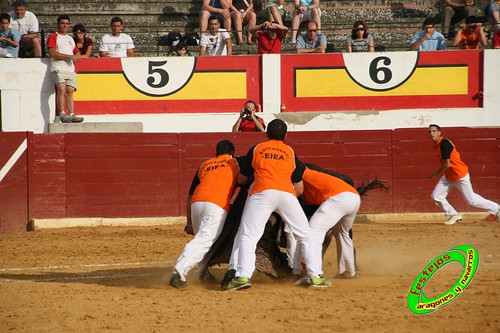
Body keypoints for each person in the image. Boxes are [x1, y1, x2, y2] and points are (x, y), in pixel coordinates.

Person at [224, 119, 331, 290]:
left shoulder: (258, 148)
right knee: (305, 235)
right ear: (286, 135)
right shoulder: (289, 151)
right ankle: (315, 275)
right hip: (287, 194)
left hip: (261, 193)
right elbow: (299, 185)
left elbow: (242, 178)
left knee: (249, 235)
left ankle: (242, 276)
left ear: (266, 134)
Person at [169, 140, 242, 288]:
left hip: (196, 203)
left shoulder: (205, 165)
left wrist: (189, 222)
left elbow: (190, 195)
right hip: (216, 204)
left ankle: (201, 272)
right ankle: (179, 271)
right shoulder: (235, 163)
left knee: (203, 239)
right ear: (232, 153)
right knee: (204, 240)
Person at [427, 124, 499, 224]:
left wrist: (435, 174)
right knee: (436, 195)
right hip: (449, 175)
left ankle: (497, 209)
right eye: (430, 132)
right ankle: (454, 215)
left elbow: (447, 164)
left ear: (439, 133)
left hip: (459, 174)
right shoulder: (438, 144)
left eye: (434, 131)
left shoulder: (444, 143)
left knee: (471, 200)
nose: (431, 133)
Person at [47, 15, 84, 124]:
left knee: (70, 91)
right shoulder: (54, 36)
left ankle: (72, 114)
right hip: (58, 67)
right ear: (58, 24)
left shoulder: (70, 39)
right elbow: (52, 52)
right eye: (63, 23)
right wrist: (69, 56)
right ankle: (62, 113)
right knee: (62, 89)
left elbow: (76, 51)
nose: (65, 26)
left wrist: (76, 55)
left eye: (67, 24)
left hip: (70, 68)